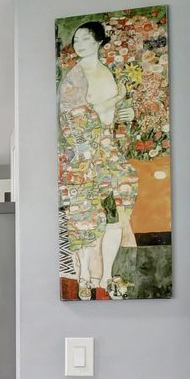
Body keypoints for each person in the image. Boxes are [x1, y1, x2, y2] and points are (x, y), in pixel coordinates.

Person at [58, 21, 137, 298]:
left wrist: (123, 115)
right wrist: (117, 100)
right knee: (85, 219)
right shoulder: (74, 77)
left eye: (85, 40)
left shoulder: (106, 73)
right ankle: (83, 276)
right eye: (76, 40)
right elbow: (75, 120)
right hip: (83, 155)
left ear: (99, 42)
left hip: (107, 152)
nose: (78, 45)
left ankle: (105, 277)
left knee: (116, 210)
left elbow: (108, 120)